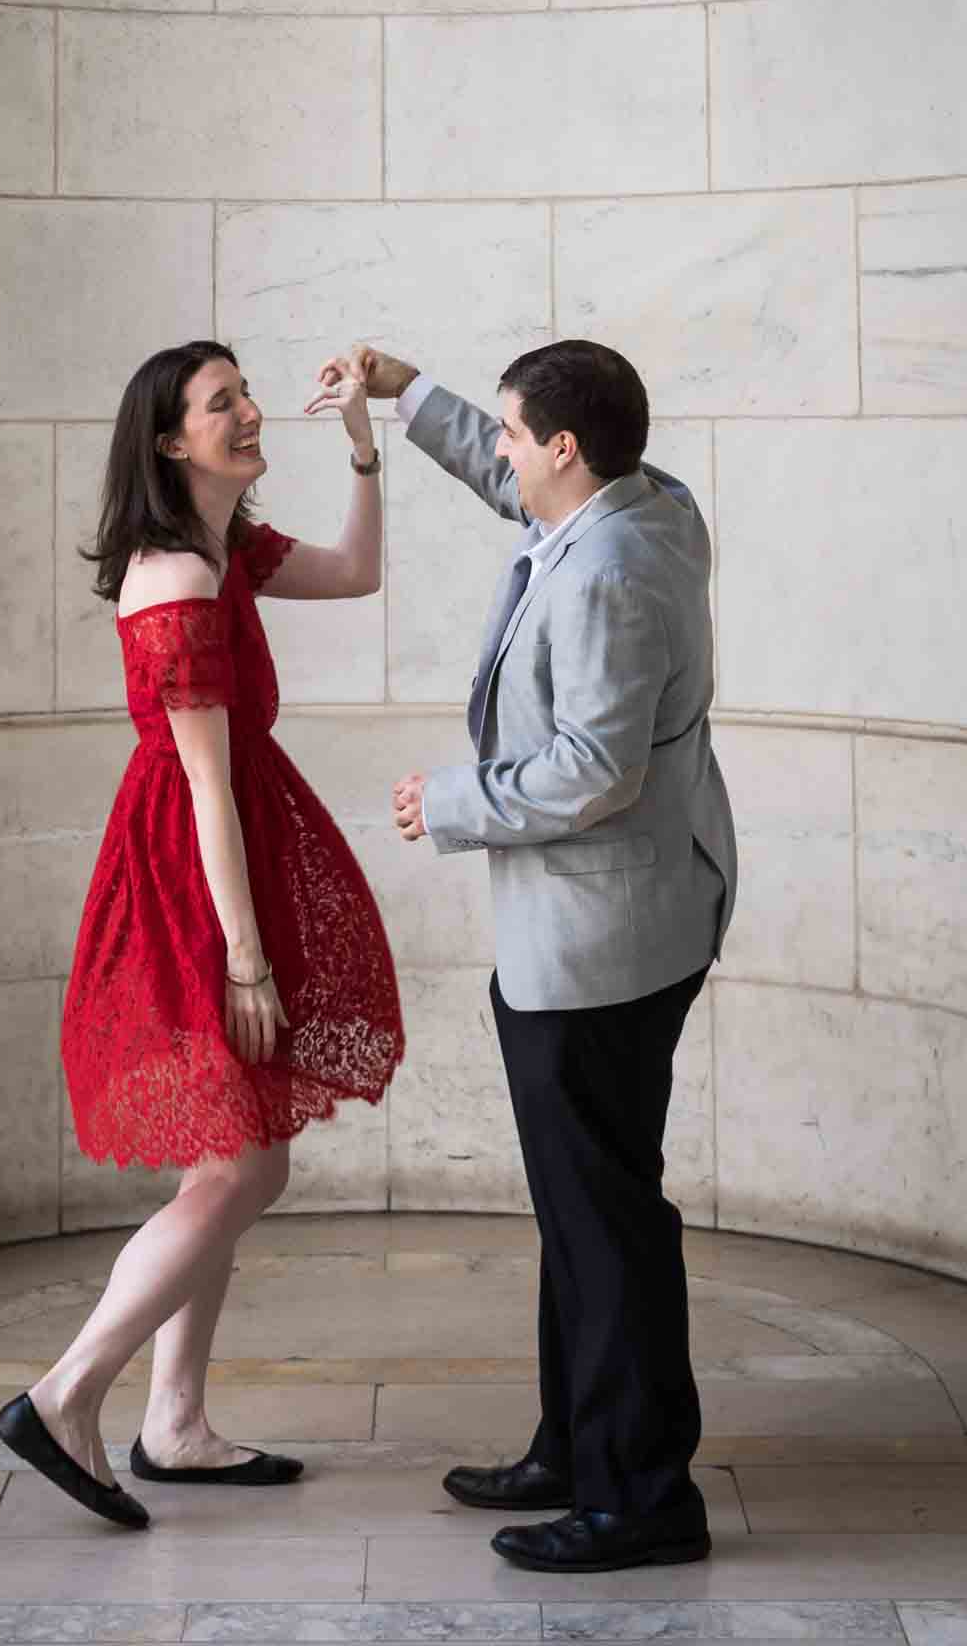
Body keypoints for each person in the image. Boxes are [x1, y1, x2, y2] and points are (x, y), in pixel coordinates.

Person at [338, 338, 736, 1575]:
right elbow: (512, 482)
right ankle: (575, 1441)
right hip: (625, 917)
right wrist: (415, 399)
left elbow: (596, 770)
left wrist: (448, 803)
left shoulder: (611, 571)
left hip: (599, 942)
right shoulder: (644, 498)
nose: (502, 454)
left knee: (605, 1216)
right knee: (584, 1205)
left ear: (566, 448)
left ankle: (638, 1493)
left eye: (513, 433)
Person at [0, 340, 404, 1529]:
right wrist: (246, 957)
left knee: (225, 1152)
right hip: (193, 873)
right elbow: (207, 784)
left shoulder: (225, 547)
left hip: (220, 851)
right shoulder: (172, 572)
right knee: (243, 1161)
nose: (247, 410)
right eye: (220, 402)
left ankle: (172, 1422)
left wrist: (362, 447)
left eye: (244, 392)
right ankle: (67, 1392)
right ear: (171, 440)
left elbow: (358, 572)